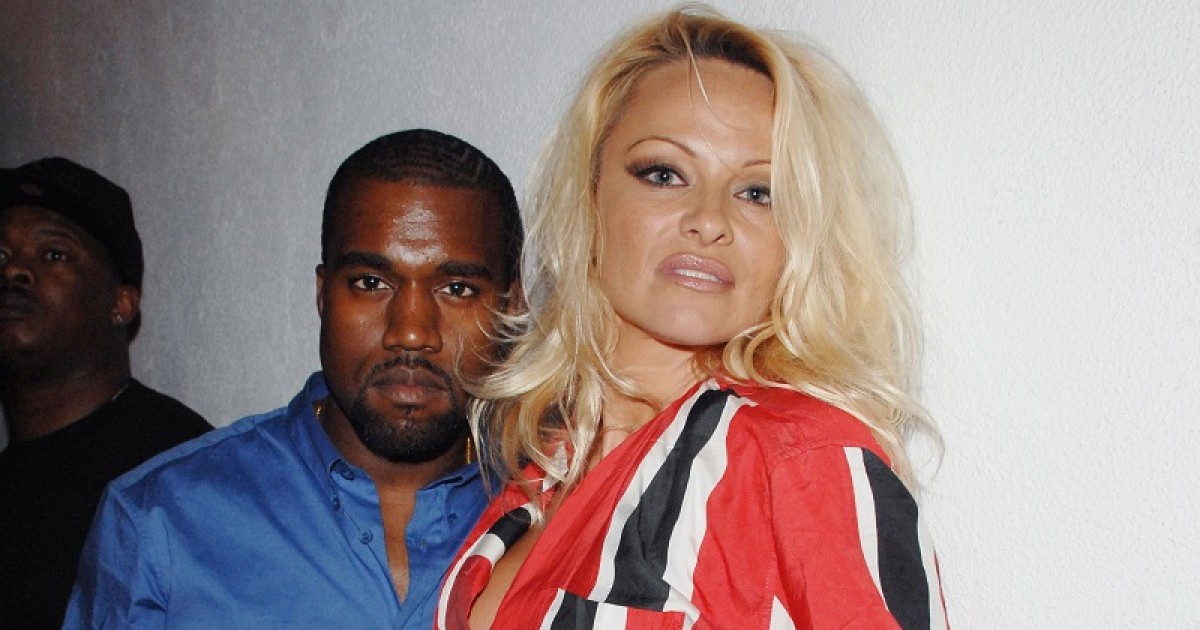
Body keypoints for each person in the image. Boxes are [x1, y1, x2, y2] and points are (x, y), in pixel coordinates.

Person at [436, 7, 947, 630]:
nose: (709, 219)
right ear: (591, 197)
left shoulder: (802, 457)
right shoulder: (543, 473)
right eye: (664, 174)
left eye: (758, 192)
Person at [64, 129, 523, 628]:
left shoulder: (558, 519)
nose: (411, 332)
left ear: (513, 308)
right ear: (324, 295)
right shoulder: (161, 520)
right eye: (370, 283)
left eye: (457, 288)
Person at [0, 157, 212, 629]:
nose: (14, 271)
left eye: (53, 254)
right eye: (0, 256)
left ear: (121, 303)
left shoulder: (177, 472)